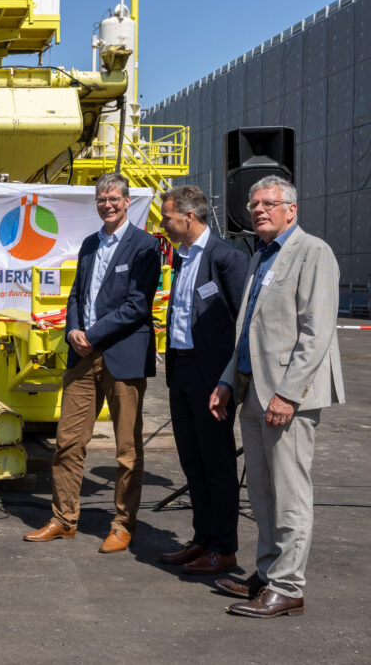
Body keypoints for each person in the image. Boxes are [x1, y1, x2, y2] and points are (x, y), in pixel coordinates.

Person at [209, 176, 344, 618]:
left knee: (289, 493)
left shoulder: (313, 252)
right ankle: (268, 574)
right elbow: (247, 329)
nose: (260, 210)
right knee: (263, 492)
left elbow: (316, 332)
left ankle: (288, 587)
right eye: (254, 205)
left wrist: (288, 394)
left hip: (287, 397)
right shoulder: (261, 255)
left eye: (269, 203)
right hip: (253, 391)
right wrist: (227, 381)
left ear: (292, 210)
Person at [23, 172, 160, 553]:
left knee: (127, 450)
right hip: (83, 357)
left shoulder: (145, 245)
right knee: (68, 442)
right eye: (102, 199)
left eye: (114, 198)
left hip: (122, 355)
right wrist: (72, 331)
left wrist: (93, 334)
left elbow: (137, 306)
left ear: (127, 202)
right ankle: (63, 519)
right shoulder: (89, 244)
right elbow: (75, 296)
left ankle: (123, 524)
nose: (107, 204)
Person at [157, 186, 248, 574]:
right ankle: (203, 538)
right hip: (181, 372)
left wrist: (229, 380)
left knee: (217, 463)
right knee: (192, 461)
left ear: (188, 217)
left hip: (213, 377)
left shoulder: (226, 258)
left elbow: (244, 323)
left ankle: (224, 548)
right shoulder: (182, 257)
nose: (163, 224)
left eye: (167, 217)